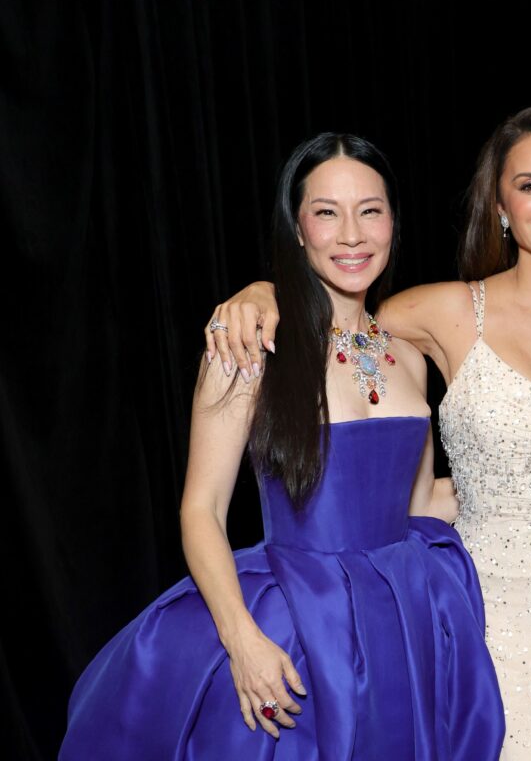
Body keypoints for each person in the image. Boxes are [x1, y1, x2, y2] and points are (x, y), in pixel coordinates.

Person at [202, 108, 531, 759]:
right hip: (469, 601)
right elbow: (204, 506)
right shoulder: (423, 317)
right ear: (500, 206)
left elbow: (421, 494)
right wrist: (264, 291)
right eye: (530, 185)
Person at [61, 133, 504, 759]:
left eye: (370, 211)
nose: (352, 235)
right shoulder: (247, 349)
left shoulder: (409, 357)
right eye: (326, 212)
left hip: (401, 621)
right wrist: (242, 640)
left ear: (393, 223)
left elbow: (421, 503)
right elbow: (201, 511)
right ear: (297, 229)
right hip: (299, 624)